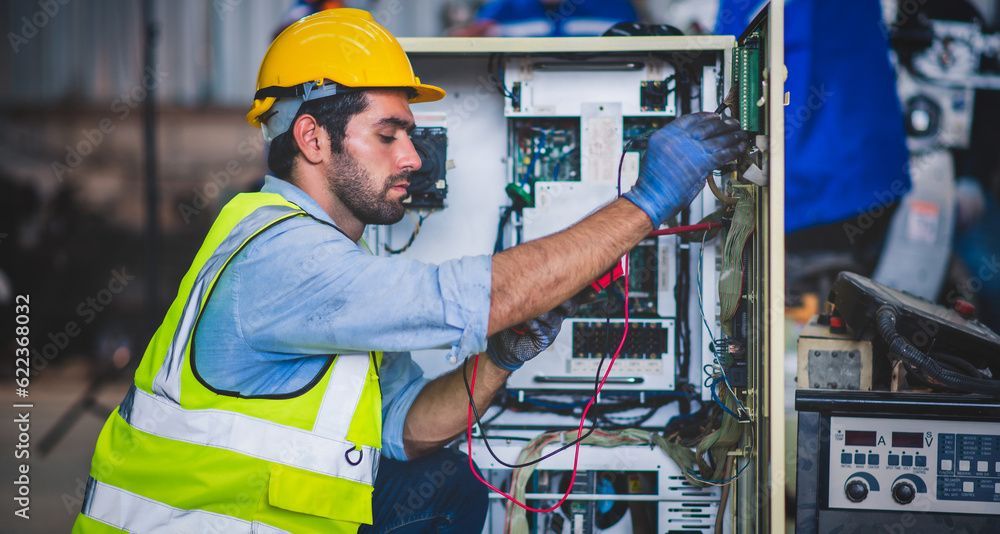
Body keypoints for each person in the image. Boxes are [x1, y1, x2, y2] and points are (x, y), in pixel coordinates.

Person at [72, 8, 745, 533]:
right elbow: (476, 295)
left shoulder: (319, 255)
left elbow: (405, 427)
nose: (414, 158)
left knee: (449, 481)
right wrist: (650, 200)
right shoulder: (286, 261)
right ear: (312, 138)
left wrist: (502, 357)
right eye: (389, 134)